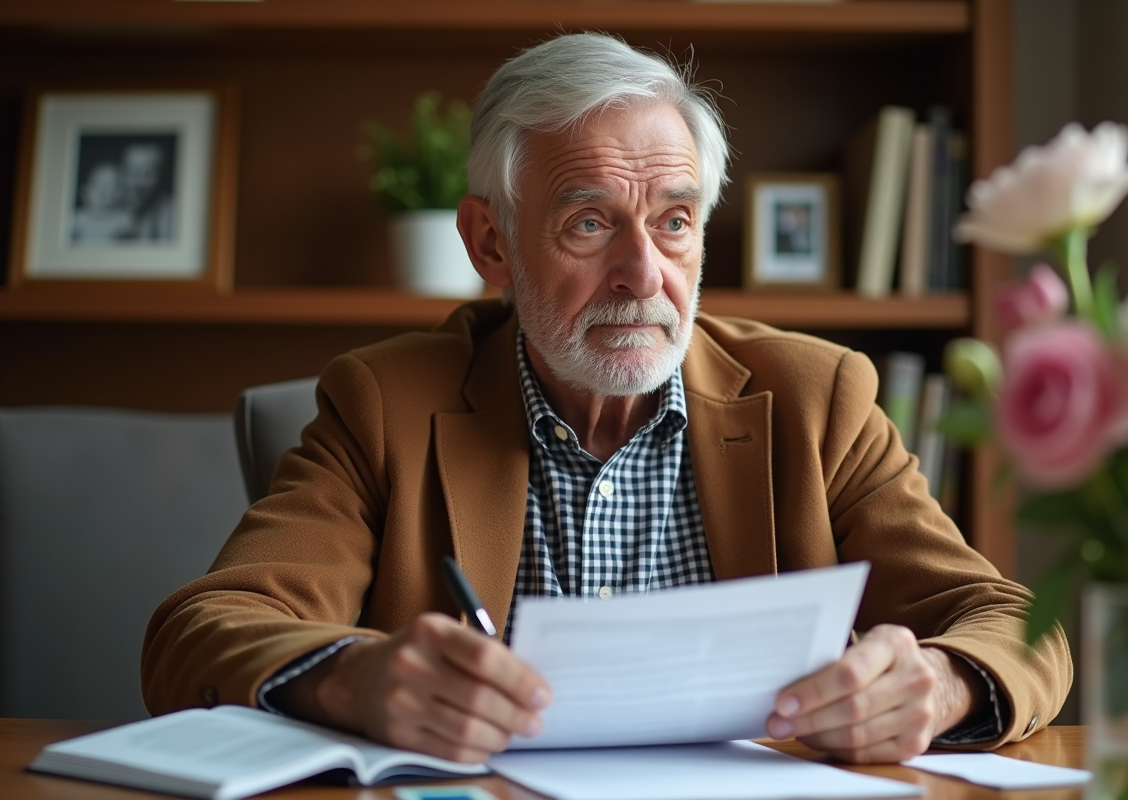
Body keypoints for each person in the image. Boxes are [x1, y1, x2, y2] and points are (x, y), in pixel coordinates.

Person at [143, 32, 1071, 766]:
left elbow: (1017, 624)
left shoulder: (814, 398)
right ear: (491, 242)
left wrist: (940, 684)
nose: (644, 274)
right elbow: (200, 632)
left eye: (674, 222)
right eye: (590, 223)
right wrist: (355, 679)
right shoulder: (384, 403)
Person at [122, 142, 174, 242]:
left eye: (148, 174)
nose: (138, 182)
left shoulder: (166, 209)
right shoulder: (111, 203)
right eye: (133, 172)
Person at [71, 161, 134, 244]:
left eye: (111, 186)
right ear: (84, 191)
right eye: (97, 184)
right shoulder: (77, 219)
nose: (103, 190)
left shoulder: (124, 220)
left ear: (121, 192)